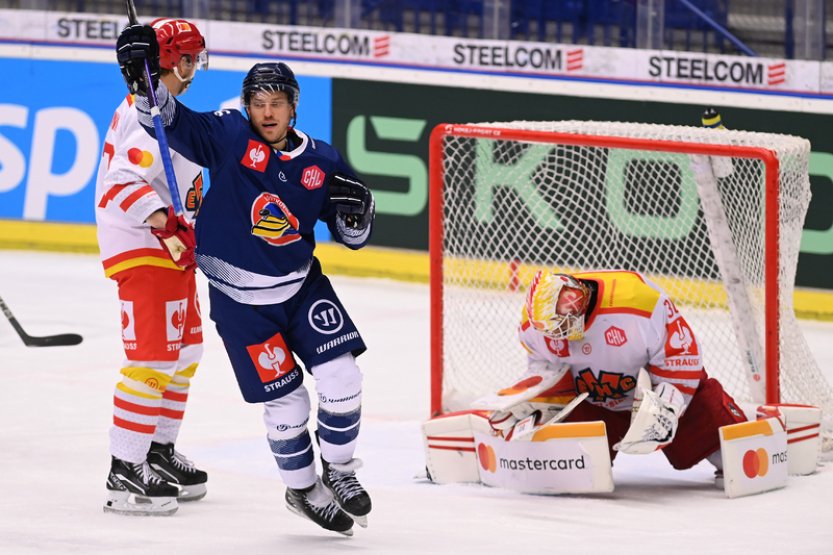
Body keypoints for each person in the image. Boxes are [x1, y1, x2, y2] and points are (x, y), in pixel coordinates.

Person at [114, 25, 375, 535]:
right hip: (240, 304)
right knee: (289, 401)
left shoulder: (321, 159)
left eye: (278, 102)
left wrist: (360, 215)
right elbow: (170, 121)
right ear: (247, 105)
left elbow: (352, 234)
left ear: (293, 105)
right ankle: (302, 489)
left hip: (302, 289)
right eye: (259, 102)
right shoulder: (230, 135)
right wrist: (143, 82)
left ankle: (341, 472)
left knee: (343, 378)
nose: (268, 112)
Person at [95, 18, 209, 516]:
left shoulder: (166, 112)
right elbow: (122, 181)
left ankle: (156, 452)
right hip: (145, 249)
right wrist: (164, 222)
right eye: (191, 57)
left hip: (170, 252)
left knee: (186, 351)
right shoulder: (143, 115)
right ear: (177, 61)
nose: (195, 67)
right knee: (153, 360)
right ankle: (125, 467)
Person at [489, 269, 748, 481]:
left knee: (734, 458)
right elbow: (544, 369)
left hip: (653, 392)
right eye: (558, 328)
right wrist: (533, 400)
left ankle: (740, 441)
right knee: (562, 470)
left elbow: (681, 355)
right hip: (591, 401)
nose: (564, 330)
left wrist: (669, 403)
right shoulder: (533, 326)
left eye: (566, 320)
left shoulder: (638, 303)